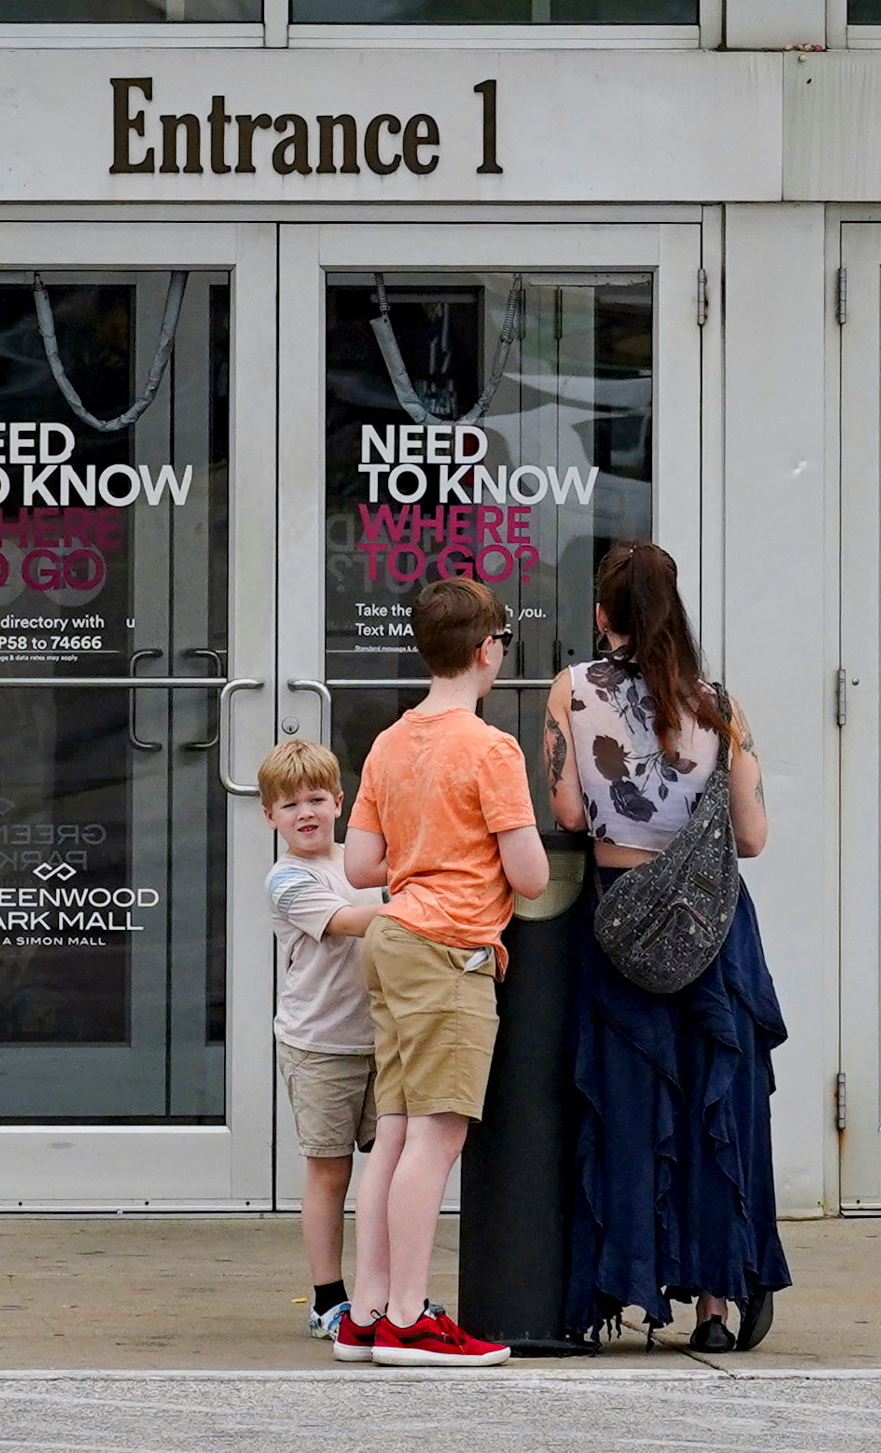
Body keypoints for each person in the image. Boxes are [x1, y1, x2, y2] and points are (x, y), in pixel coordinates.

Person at [545, 537, 791, 1346]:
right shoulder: (719, 703)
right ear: (675, 609)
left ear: (602, 613)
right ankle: (718, 1308)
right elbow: (750, 836)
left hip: (622, 916)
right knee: (715, 1101)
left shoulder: (573, 690)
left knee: (629, 1104)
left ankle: (620, 1288)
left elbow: (572, 817)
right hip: (712, 924)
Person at [335, 574, 544, 1366]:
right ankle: (412, 1317)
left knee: (391, 1131)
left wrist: (420, 852)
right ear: (489, 650)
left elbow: (361, 864)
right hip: (450, 946)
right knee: (437, 1133)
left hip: (390, 938)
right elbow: (527, 875)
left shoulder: (391, 740)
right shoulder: (490, 747)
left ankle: (366, 1310)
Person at [254, 735, 377, 1344]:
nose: (305, 813)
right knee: (330, 1172)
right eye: (289, 805)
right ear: (268, 816)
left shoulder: (361, 859)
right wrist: (436, 904)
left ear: (339, 801)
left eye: (316, 799)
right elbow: (350, 921)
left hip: (384, 1039)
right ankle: (328, 1297)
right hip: (320, 1044)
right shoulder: (287, 881)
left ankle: (384, 1291)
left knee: (392, 1168)